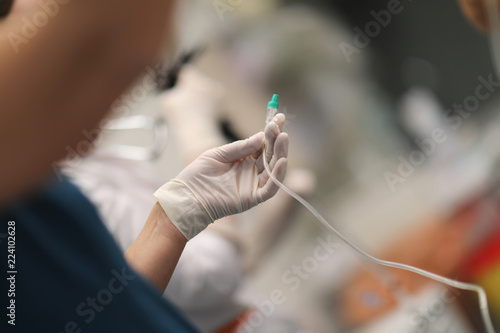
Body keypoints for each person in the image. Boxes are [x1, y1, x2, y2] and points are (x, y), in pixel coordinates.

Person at [0, 1, 288, 332]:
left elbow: (116, 298)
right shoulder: (43, 191)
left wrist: (176, 216)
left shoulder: (52, 191)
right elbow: (209, 279)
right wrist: (198, 132)